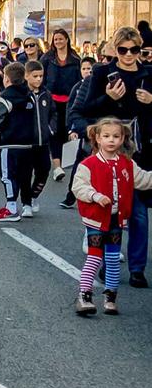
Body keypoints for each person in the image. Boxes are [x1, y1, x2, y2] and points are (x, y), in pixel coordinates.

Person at [79, 25, 152, 288]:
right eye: (123, 50)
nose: (129, 55)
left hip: (140, 149)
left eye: (135, 50)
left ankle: (136, 269)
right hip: (110, 149)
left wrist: (151, 101)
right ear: (116, 49)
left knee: (139, 213)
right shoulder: (102, 73)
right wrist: (107, 98)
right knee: (110, 211)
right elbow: (86, 109)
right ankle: (106, 263)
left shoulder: (148, 74)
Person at [71, 118, 152, 315]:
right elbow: (78, 187)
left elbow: (144, 180)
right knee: (94, 257)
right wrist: (95, 196)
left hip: (116, 219)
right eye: (106, 136)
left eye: (116, 136)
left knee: (113, 258)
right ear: (97, 138)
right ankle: (84, 295)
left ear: (123, 138)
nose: (111, 140)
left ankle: (110, 297)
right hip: (96, 220)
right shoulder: (88, 164)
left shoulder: (127, 164)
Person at [0, 62, 55, 222]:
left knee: (7, 175)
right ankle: (19, 204)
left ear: (6, 79)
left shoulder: (5, 97)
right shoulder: (29, 96)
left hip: (9, 143)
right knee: (24, 175)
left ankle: (11, 207)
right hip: (28, 145)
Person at [41, 28, 80, 182]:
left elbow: (79, 81)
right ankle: (57, 166)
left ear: (67, 40)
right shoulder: (47, 58)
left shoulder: (75, 60)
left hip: (70, 101)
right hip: (52, 101)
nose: (58, 42)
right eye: (55, 39)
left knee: (66, 132)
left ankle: (65, 163)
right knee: (54, 133)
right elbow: (41, 78)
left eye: (61, 39)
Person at [60, 56, 97, 209]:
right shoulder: (78, 87)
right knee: (79, 165)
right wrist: (73, 129)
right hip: (86, 132)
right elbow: (72, 110)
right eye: (84, 68)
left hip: (102, 131)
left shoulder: (99, 85)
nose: (87, 71)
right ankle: (71, 195)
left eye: (90, 68)